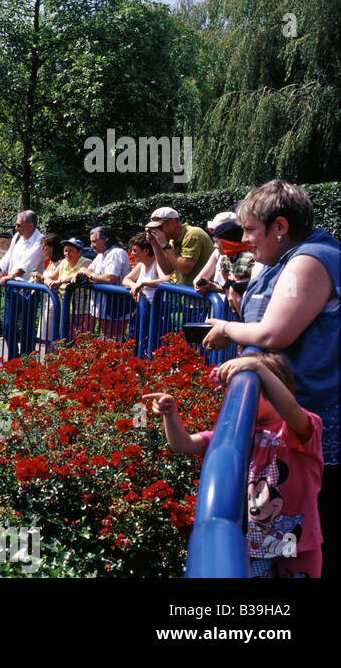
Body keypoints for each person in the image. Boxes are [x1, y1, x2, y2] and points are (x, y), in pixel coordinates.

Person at [201, 180, 340, 576]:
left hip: (316, 431)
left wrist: (226, 328)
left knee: (316, 541)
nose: (243, 240)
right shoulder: (281, 260)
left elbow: (273, 333)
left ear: (279, 226)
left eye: (249, 230)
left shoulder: (310, 260)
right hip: (290, 425)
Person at [144, 352, 322, 577]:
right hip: (254, 545)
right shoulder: (235, 432)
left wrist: (258, 369)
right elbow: (184, 444)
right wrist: (170, 415)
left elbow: (291, 410)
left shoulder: (298, 427)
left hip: (297, 544)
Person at [0, 211, 45, 359]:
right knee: (7, 327)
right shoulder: (17, 237)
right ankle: (13, 358)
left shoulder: (40, 241)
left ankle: (26, 362)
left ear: (30, 225)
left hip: (29, 289)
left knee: (26, 329)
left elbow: (28, 263)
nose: (16, 227)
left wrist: (11, 275)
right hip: (12, 287)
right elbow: (8, 257)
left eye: (18, 225)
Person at [74, 226, 132, 338]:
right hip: (102, 308)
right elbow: (88, 269)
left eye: (94, 241)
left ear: (106, 239)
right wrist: (85, 272)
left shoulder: (116, 252)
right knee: (105, 341)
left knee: (113, 342)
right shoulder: (101, 254)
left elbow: (110, 278)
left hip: (115, 308)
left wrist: (90, 275)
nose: (92, 245)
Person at [146, 206, 214, 287]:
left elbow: (184, 269)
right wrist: (155, 244)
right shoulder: (172, 241)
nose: (157, 232)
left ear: (173, 222)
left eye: (159, 227)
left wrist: (165, 245)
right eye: (154, 229)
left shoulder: (192, 234)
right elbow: (167, 270)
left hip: (201, 295)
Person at [122, 233, 168, 305]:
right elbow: (126, 280)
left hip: (156, 309)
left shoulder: (157, 263)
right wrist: (134, 286)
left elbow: (166, 280)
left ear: (146, 251)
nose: (132, 253)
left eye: (134, 250)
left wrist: (143, 284)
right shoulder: (141, 265)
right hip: (143, 307)